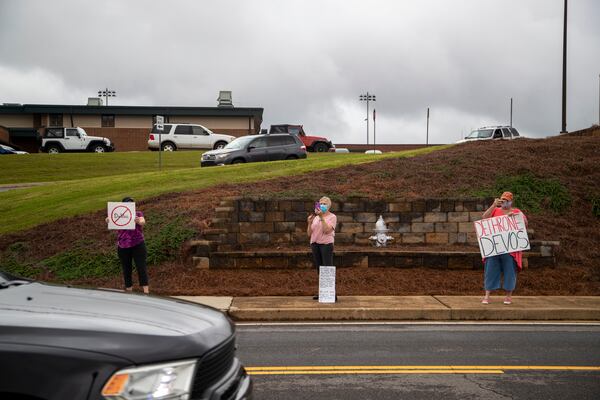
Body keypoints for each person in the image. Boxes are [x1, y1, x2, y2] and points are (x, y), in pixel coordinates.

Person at [480, 191, 527, 305]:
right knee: (490, 269)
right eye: (502, 200)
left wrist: (514, 216)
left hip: (510, 249)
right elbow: (484, 218)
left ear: (511, 201)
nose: (504, 202)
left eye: (506, 200)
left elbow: (524, 222)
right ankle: (487, 295)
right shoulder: (495, 210)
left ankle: (508, 296)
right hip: (495, 247)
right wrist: (493, 205)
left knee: (510, 271)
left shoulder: (516, 211)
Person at [106, 197, 150, 294]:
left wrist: (139, 221)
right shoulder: (117, 214)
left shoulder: (138, 214)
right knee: (126, 269)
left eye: (131, 204)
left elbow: (143, 221)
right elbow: (108, 220)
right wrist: (108, 220)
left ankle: (146, 292)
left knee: (141, 267)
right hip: (123, 246)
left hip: (138, 244)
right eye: (127, 204)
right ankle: (129, 292)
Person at [307, 196, 337, 300]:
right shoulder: (315, 217)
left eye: (324, 203)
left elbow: (327, 230)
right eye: (321, 203)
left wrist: (321, 217)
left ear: (328, 206)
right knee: (319, 269)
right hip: (315, 244)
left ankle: (331, 294)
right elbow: (309, 233)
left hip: (326, 245)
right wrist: (309, 223)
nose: (322, 205)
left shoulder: (332, 217)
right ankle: (323, 293)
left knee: (327, 268)